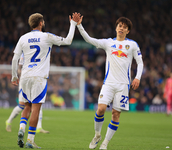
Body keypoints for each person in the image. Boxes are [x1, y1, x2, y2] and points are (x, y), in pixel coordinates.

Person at [11, 12, 81, 148]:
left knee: (26, 106)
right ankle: (30, 140)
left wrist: (14, 76)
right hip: (39, 78)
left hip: (25, 76)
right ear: (41, 23)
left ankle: (21, 128)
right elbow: (68, 41)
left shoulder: (23, 38)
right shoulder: (47, 36)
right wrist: (73, 24)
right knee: (36, 108)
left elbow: (15, 59)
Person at [77, 16, 143, 149]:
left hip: (123, 85)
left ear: (128, 31)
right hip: (109, 83)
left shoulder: (132, 45)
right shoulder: (108, 43)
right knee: (100, 109)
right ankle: (97, 135)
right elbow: (89, 39)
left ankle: (105, 143)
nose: (121, 28)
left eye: (124, 27)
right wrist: (79, 25)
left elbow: (140, 62)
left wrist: (137, 77)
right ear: (116, 27)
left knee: (115, 114)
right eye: (120, 25)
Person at [6, 54, 49, 133]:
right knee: (22, 105)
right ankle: (9, 121)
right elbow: (19, 69)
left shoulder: (38, 52)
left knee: (38, 102)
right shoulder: (25, 52)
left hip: (35, 80)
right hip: (25, 81)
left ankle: (39, 127)